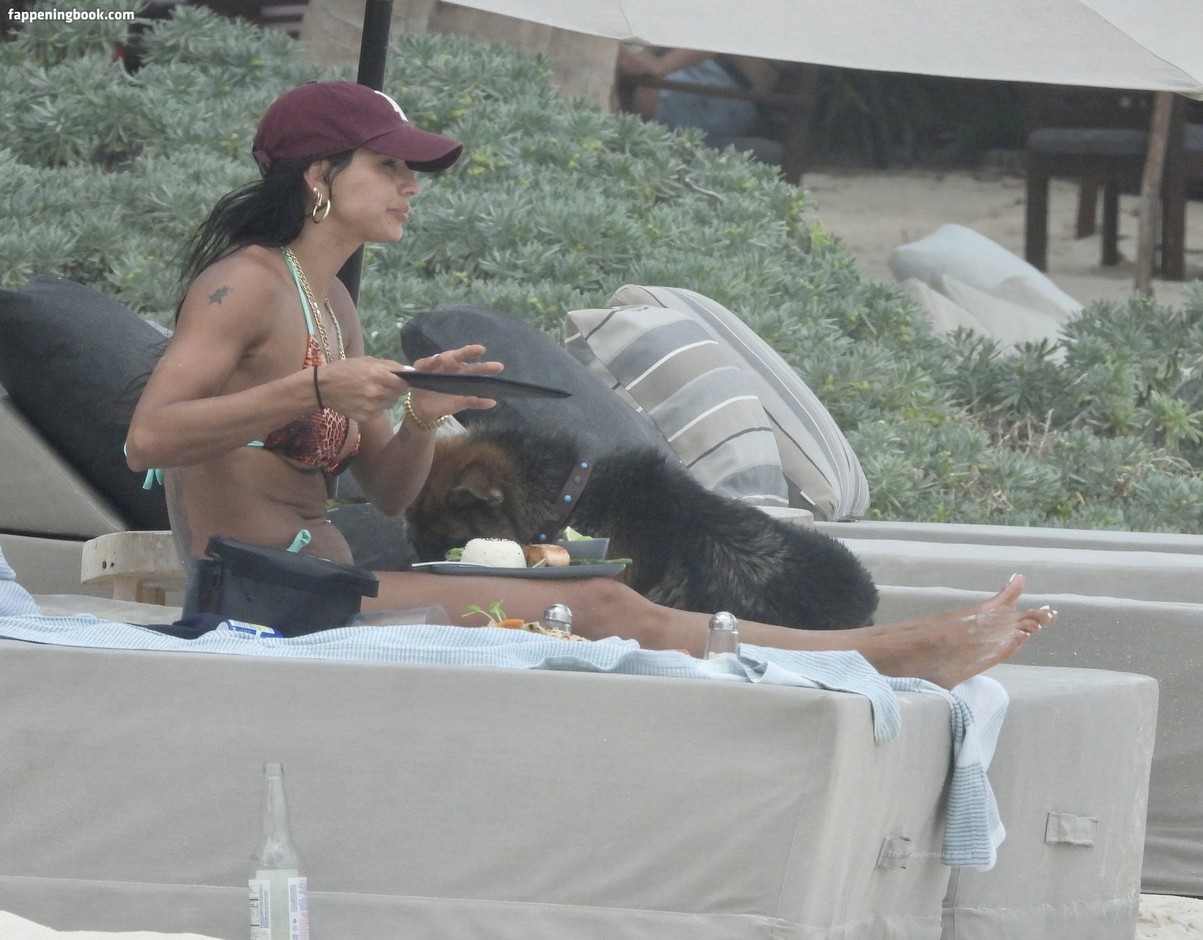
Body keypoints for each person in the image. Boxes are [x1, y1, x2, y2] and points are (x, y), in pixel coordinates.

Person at [125, 79, 1054, 689]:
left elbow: (389, 494)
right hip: (257, 599)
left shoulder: (329, 299)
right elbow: (149, 437)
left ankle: (876, 653)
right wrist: (317, 392)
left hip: (326, 582)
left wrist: (419, 419)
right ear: (319, 176)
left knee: (583, 590)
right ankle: (884, 655)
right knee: (600, 610)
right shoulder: (243, 284)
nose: (412, 185)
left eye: (413, 169)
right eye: (390, 165)